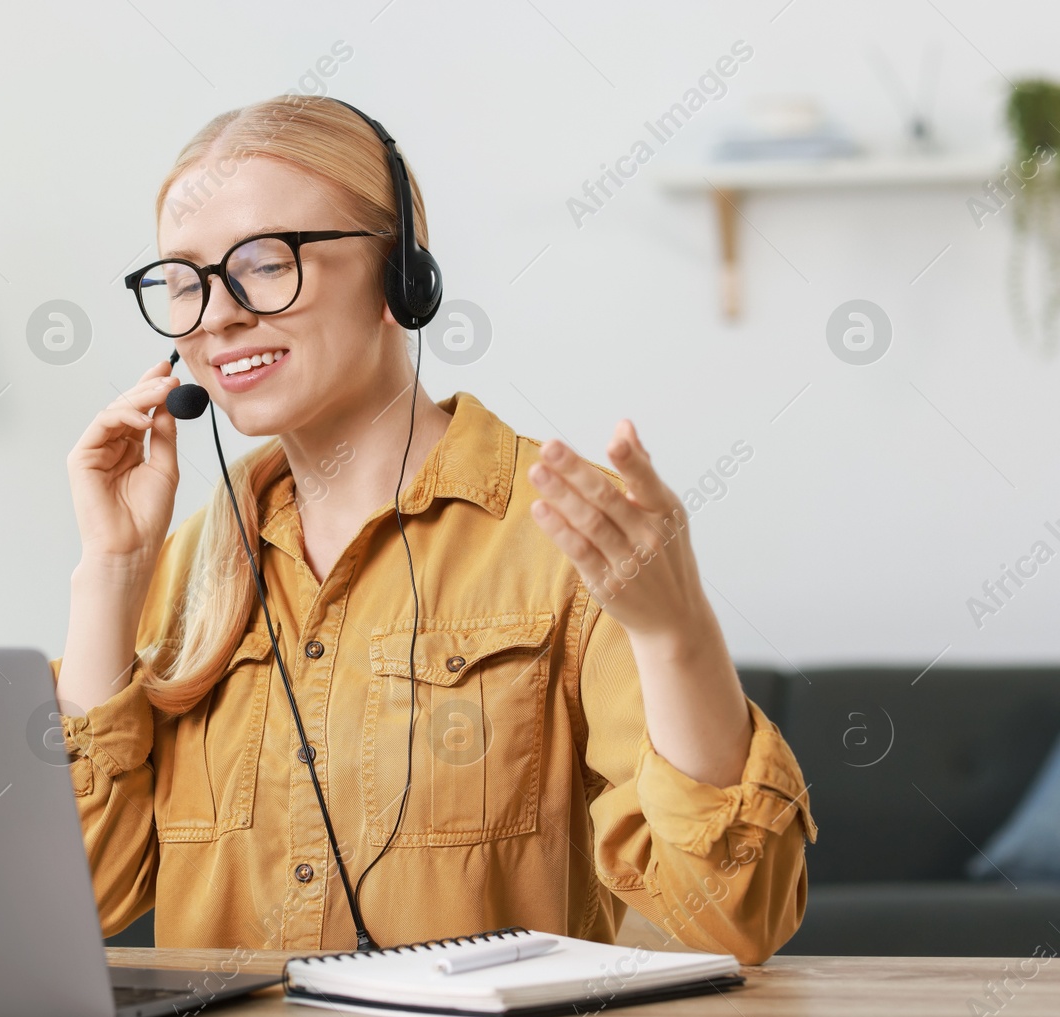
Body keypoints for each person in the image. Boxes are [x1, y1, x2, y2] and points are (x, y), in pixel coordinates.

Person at [50, 94, 816, 963]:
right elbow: (84, 898)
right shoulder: (189, 564)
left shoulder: (565, 534)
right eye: (184, 281)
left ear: (401, 280)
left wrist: (678, 635)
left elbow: (735, 914)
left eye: (263, 265)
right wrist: (111, 571)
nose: (216, 316)